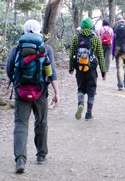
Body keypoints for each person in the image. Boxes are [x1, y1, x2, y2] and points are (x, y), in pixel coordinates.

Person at [6, 19, 59, 173]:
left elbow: (10, 71)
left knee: (21, 123)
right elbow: (52, 72)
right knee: (41, 122)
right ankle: (41, 155)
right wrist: (57, 93)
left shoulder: (17, 48)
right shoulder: (46, 48)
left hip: (21, 91)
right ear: (39, 30)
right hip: (40, 91)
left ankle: (20, 159)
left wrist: (17, 83)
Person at [69, 17, 107, 120]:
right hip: (91, 70)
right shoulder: (95, 38)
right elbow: (100, 56)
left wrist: (71, 68)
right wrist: (103, 72)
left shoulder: (76, 38)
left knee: (81, 88)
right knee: (91, 91)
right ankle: (89, 114)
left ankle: (80, 103)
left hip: (79, 69)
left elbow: (72, 53)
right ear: (91, 27)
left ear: (81, 27)